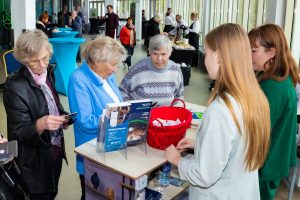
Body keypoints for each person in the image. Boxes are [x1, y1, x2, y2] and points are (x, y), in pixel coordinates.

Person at [165, 23, 271, 199]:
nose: (205, 59)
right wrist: (201, 145)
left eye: (207, 52)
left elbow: (204, 175)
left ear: (220, 57)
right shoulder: (254, 97)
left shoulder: (221, 109)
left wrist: (177, 160)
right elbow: (237, 147)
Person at [3, 30, 72, 200]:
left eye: (46, 58)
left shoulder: (47, 73)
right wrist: (41, 124)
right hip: (33, 162)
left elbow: (51, 104)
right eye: (35, 61)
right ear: (24, 60)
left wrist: (62, 115)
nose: (42, 65)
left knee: (53, 191)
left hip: (54, 151)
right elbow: (18, 131)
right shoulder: (14, 86)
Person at [68, 36, 127, 200]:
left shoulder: (108, 75)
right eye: (113, 64)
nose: (115, 69)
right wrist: (120, 117)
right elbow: (85, 121)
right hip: (93, 152)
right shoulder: (78, 80)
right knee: (92, 195)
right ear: (97, 61)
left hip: (113, 145)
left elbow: (115, 103)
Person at [248, 24, 299, 200]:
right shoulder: (275, 78)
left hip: (267, 161)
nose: (249, 56)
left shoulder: (274, 86)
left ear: (271, 52)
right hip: (271, 158)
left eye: (254, 51)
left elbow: (257, 129)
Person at [119, 34, 184, 106]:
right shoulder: (137, 69)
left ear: (170, 53)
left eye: (163, 54)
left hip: (166, 115)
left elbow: (179, 96)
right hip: (141, 115)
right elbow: (121, 91)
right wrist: (130, 108)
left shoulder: (176, 70)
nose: (159, 59)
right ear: (149, 51)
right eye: (155, 54)